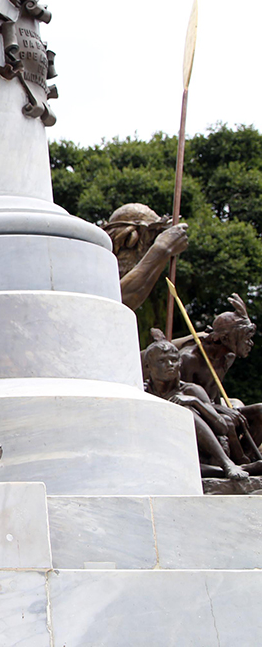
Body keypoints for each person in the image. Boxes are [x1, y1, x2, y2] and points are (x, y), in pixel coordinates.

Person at [144, 329, 262, 480]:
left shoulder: (190, 390)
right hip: (166, 449)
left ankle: (227, 463)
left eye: (173, 360)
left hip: (197, 451)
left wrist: (195, 402)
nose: (169, 365)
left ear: (180, 362)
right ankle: (242, 469)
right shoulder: (143, 392)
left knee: (186, 410)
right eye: (162, 361)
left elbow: (222, 427)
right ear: (148, 366)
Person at [100, 203, 189, 310]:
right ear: (130, 238)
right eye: (151, 238)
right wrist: (161, 250)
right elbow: (112, 306)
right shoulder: (97, 271)